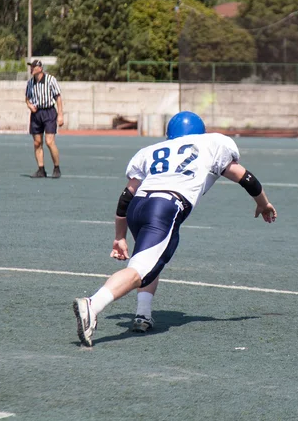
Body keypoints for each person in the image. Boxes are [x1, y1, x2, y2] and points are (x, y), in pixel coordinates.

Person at [72, 111, 277, 346]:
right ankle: (93, 304)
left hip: (138, 206)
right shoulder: (210, 143)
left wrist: (119, 236)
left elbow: (126, 196)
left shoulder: (151, 151)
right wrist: (263, 203)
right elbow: (245, 178)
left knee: (150, 260)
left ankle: (143, 314)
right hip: (165, 207)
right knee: (139, 270)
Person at [25, 59, 64, 178]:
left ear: (40, 68)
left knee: (49, 141)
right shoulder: (30, 83)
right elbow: (27, 98)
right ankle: (41, 169)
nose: (31, 69)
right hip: (37, 114)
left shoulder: (50, 80)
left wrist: (61, 115)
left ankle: (56, 167)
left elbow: (58, 98)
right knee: (37, 142)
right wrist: (29, 105)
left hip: (49, 112)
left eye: (33, 67)